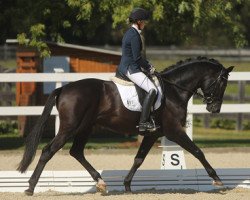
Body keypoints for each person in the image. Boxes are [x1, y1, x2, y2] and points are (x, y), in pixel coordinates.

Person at [117, 7, 159, 133]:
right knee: (152, 89)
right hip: (131, 68)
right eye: (144, 22)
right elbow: (137, 58)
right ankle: (143, 123)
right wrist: (149, 67)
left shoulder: (129, 32)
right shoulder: (134, 35)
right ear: (139, 21)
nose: (145, 24)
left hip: (126, 66)